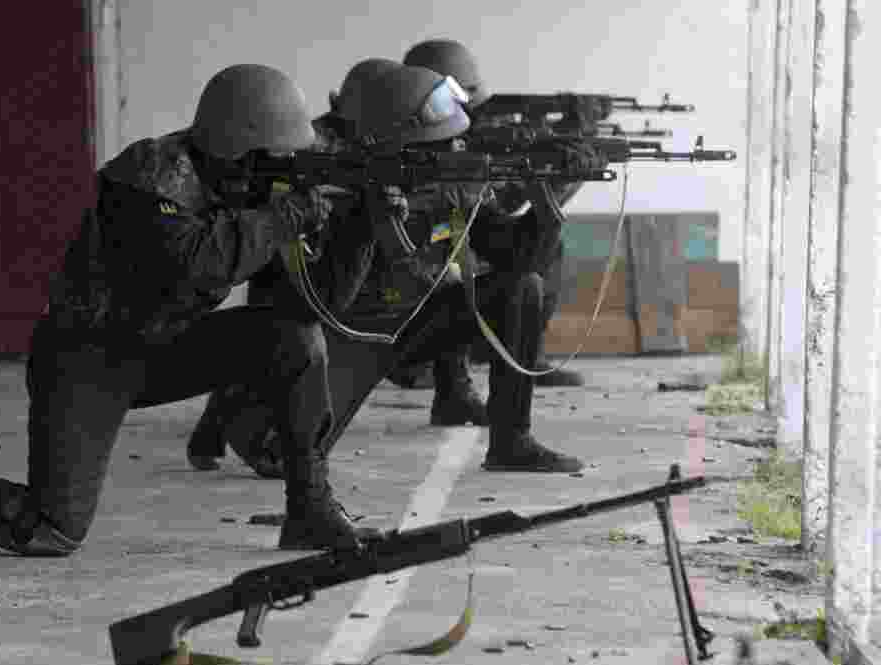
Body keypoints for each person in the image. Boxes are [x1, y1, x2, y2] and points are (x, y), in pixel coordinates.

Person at [0, 64, 398, 556]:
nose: (287, 173)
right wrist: (284, 218)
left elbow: (313, 305)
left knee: (295, 338)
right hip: (88, 359)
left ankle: (309, 507)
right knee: (51, 531)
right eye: (277, 160)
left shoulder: (256, 191)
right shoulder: (146, 179)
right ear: (240, 150)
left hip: (169, 349)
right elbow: (199, 264)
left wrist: (362, 228)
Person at [201, 64, 603, 474]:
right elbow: (308, 302)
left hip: (405, 327)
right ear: (390, 141)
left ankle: (512, 442)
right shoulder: (319, 184)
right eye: (439, 142)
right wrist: (365, 219)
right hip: (335, 337)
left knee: (522, 287)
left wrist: (547, 198)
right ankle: (228, 415)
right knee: (280, 457)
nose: (455, 150)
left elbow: (515, 259)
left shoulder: (446, 181)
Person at [402, 39, 587, 388]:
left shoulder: (454, 165)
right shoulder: (371, 159)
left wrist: (553, 191)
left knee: (519, 278)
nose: (463, 129)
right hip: (384, 321)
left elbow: (510, 246)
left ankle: (501, 428)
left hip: (426, 311)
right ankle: (451, 382)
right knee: (456, 258)